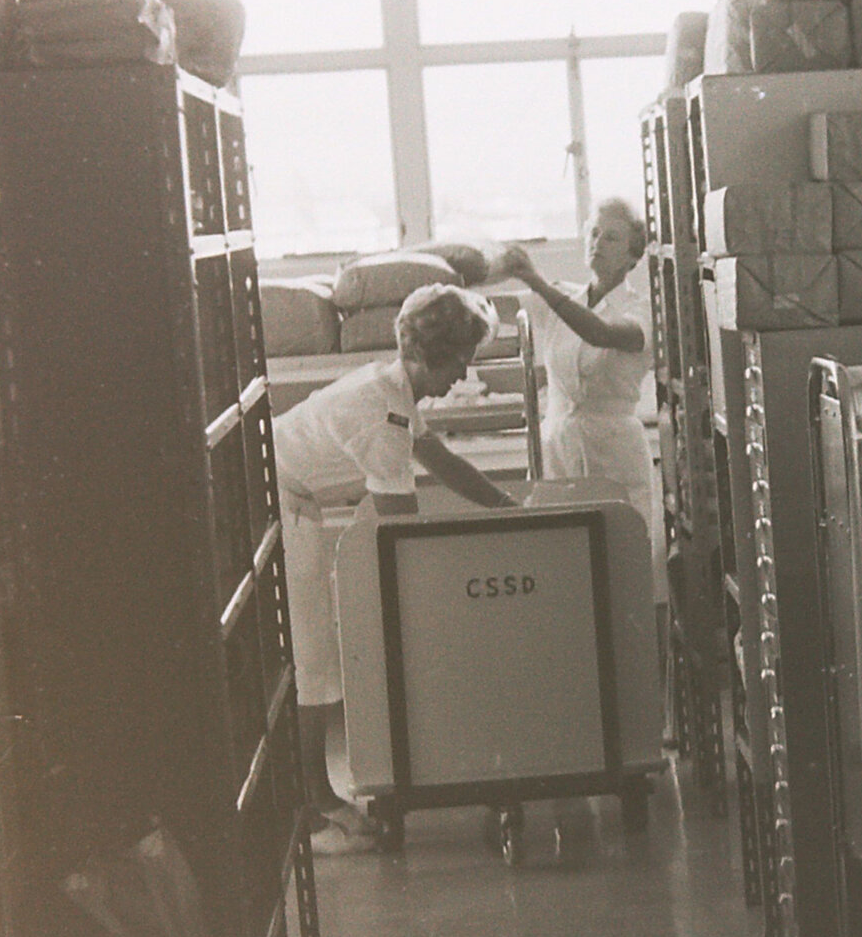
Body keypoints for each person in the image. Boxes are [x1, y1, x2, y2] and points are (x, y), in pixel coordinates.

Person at [274, 283, 517, 854]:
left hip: (293, 504)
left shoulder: (392, 389)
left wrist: (509, 509)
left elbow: (441, 461)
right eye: (460, 361)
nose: (464, 375)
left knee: (320, 667)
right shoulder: (383, 413)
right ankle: (307, 820)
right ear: (431, 355)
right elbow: (400, 532)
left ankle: (323, 799)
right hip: (281, 509)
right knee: (312, 668)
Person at [501, 198, 661, 582]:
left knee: (622, 574)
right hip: (557, 448)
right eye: (593, 233)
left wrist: (534, 279)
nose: (597, 243)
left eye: (612, 238)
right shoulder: (561, 297)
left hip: (615, 455)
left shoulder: (643, 311)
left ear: (632, 256)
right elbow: (487, 309)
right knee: (563, 574)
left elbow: (600, 332)